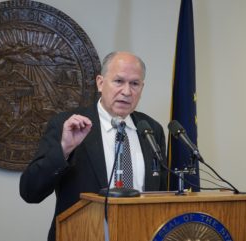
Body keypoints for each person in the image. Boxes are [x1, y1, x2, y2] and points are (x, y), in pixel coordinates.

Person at [19, 51, 167, 241]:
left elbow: (162, 193)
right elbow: (30, 192)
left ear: (142, 88)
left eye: (134, 84)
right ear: (100, 82)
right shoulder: (68, 125)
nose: (127, 91)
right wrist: (64, 149)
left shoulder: (151, 129)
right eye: (119, 81)